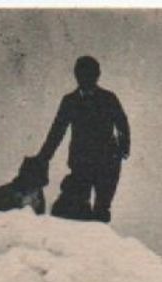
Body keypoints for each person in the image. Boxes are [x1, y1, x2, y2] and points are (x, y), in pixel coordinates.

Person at [38, 56, 130, 223]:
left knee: (102, 210)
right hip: (82, 162)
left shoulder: (108, 98)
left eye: (90, 74)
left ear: (97, 75)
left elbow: (122, 124)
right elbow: (57, 131)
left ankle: (98, 246)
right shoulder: (70, 101)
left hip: (107, 163)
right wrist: (44, 157)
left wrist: (123, 149)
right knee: (78, 208)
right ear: (76, 75)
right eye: (82, 74)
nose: (86, 79)